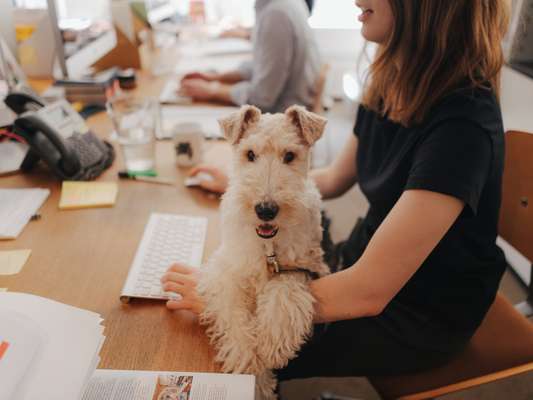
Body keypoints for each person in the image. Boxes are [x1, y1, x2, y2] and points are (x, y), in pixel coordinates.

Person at [163, 0, 509, 384]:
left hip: (416, 314)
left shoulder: (463, 127)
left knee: (223, 350)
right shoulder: (390, 85)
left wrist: (228, 302)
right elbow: (332, 179)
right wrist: (255, 189)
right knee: (225, 304)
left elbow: (368, 293)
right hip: (363, 259)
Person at [179, 0, 321, 113]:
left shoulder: (276, 14)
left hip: (281, 118)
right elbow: (265, 65)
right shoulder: (281, 5)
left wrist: (213, 90)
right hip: (286, 107)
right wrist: (217, 78)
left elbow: (261, 99)